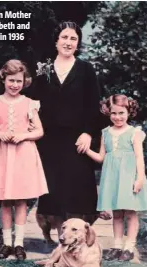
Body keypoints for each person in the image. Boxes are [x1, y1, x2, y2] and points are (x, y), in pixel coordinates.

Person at [24, 21, 108, 238]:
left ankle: (79, 235)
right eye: (64, 37)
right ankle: (49, 234)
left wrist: (88, 133)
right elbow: (32, 103)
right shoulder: (44, 70)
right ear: (56, 41)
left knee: (78, 186)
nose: (68, 42)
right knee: (52, 186)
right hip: (49, 140)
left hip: (77, 139)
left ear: (78, 43)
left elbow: (93, 104)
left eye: (73, 38)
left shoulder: (86, 69)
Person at [0, 59, 48, 260]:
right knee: (5, 200)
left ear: (24, 81)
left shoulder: (29, 103)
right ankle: (6, 243)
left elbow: (40, 131)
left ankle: (19, 244)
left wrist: (24, 135)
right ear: (3, 79)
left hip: (22, 154)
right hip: (2, 154)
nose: (15, 85)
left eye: (19, 81)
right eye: (11, 80)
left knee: (21, 200)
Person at [85, 94, 147, 261]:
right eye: (114, 113)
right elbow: (102, 157)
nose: (117, 117)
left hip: (129, 177)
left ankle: (129, 247)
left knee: (130, 213)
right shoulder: (105, 133)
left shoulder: (134, 133)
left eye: (121, 113)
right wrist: (86, 150)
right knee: (116, 214)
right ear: (108, 112)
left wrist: (139, 179)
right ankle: (116, 246)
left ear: (129, 112)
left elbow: (139, 157)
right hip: (112, 178)